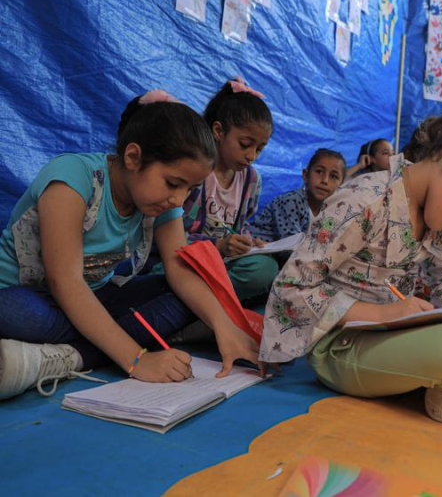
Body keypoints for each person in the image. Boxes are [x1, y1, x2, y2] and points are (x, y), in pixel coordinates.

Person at [259, 110, 442, 445]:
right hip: (345, 348)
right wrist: (381, 314)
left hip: (405, 330)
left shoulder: (438, 216)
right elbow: (292, 287)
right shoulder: (363, 201)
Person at [0, 91, 261, 400]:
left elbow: (179, 269)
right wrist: (137, 360)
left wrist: (224, 327)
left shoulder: (163, 203)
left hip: (94, 298)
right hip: (29, 297)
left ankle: (71, 356)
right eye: (173, 183)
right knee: (19, 314)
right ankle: (103, 347)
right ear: (133, 157)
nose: (178, 200)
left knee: (183, 294)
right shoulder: (72, 179)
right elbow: (65, 282)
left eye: (189, 189)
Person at [181, 77, 278, 304]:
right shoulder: (196, 171)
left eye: (259, 149)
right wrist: (217, 246)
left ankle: (199, 304)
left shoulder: (251, 179)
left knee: (266, 268)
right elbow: (170, 236)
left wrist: (248, 243)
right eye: (245, 144)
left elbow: (240, 227)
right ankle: (204, 305)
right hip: (187, 259)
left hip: (223, 264)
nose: (251, 155)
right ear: (218, 131)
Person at [252, 148, 346, 243]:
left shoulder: (331, 211)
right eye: (319, 172)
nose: (325, 180)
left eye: (333, 176)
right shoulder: (292, 200)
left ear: (341, 186)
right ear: (305, 176)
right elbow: (289, 247)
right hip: (253, 249)